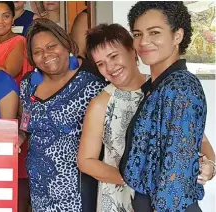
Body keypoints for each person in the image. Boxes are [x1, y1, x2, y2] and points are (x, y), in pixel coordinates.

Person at [78, 23, 216, 212]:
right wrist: (135, 177)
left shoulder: (167, 89)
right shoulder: (101, 103)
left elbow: (200, 140)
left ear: (132, 50)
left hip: (168, 197)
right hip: (119, 198)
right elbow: (85, 160)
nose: (110, 67)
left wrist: (210, 166)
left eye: (113, 56)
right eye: (100, 64)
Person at [121, 2, 209, 211]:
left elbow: (175, 181)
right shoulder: (160, 86)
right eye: (137, 34)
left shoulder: (180, 88)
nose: (144, 42)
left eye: (154, 33)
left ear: (177, 36)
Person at [18, 18, 107, 211]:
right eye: (38, 52)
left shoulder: (93, 83)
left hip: (78, 190)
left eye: (51, 46)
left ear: (66, 43)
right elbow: (25, 124)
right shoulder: (28, 85)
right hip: (39, 189)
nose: (46, 55)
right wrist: (18, 137)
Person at [0, 1, 33, 84]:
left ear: (12, 19)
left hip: (7, 95)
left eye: (6, 16)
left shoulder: (19, 41)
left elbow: (7, 76)